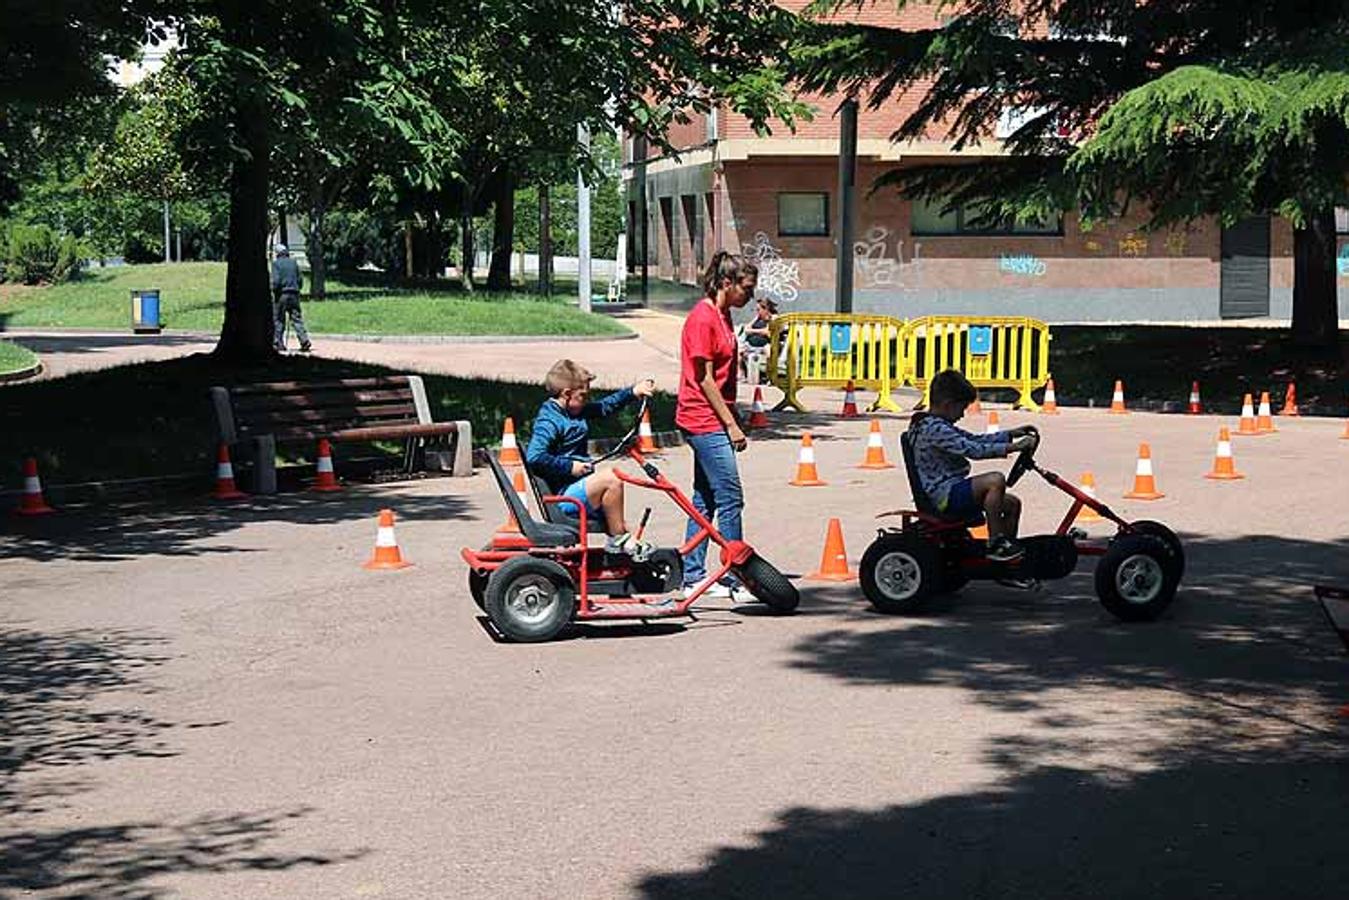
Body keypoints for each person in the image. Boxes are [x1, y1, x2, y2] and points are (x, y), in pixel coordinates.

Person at [677, 250, 757, 600]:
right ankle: (735, 576)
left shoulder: (722, 315)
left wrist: (733, 413)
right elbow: (705, 380)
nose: (751, 296)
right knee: (730, 496)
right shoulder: (703, 318)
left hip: (714, 417)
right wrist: (731, 426)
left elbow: (723, 380)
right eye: (747, 288)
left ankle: (692, 575)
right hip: (702, 419)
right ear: (726, 283)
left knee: (705, 497)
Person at [525, 359, 657, 557]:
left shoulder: (572, 411)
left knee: (617, 520)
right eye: (583, 396)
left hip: (575, 489)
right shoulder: (550, 420)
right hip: (563, 498)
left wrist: (632, 392)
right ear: (567, 393)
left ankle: (621, 546)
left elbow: (604, 407)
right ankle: (617, 542)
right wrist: (570, 467)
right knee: (612, 480)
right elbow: (535, 456)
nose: (587, 400)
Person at [908, 369, 1038, 562]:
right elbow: (973, 450)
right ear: (948, 404)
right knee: (995, 480)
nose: (962, 414)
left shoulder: (936, 424)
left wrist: (1010, 434)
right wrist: (1014, 447)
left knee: (1011, 504)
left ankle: (1008, 562)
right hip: (944, 496)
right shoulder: (934, 429)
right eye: (961, 408)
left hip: (951, 490)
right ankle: (996, 543)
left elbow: (973, 438)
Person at [271, 244, 311, 353]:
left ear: (277, 254)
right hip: (294, 294)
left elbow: (276, 281)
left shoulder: (276, 264)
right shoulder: (294, 263)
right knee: (296, 318)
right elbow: (300, 279)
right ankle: (304, 340)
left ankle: (278, 343)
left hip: (282, 295)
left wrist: (273, 290)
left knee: (279, 319)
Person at [738, 296, 777, 383]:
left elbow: (767, 332)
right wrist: (758, 330)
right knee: (738, 351)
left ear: (766, 309)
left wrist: (753, 331)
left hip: (764, 345)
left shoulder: (773, 318)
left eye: (759, 309)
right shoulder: (757, 318)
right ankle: (742, 375)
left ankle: (769, 377)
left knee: (769, 352)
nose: (757, 312)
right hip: (751, 345)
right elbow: (747, 329)